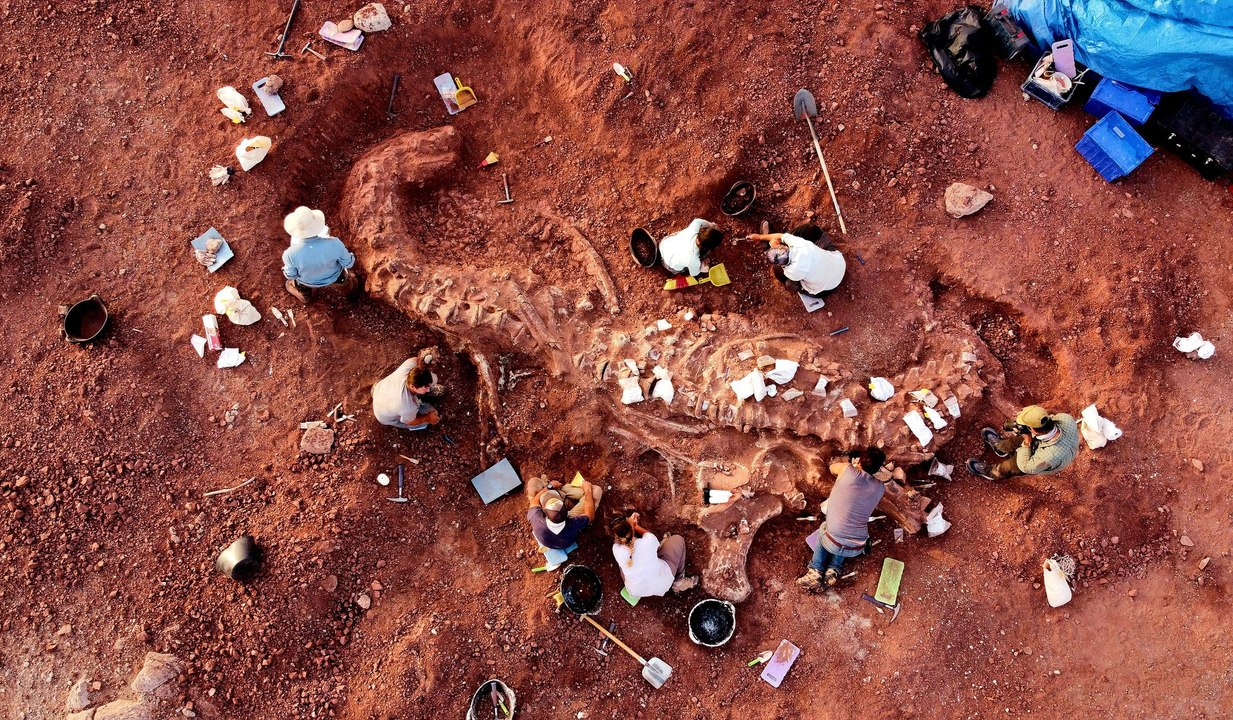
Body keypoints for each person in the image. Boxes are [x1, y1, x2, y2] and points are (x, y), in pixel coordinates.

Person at [797, 447, 887, 591]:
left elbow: (832, 468)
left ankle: (815, 570)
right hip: (857, 546)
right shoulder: (880, 488)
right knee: (847, 531)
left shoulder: (847, 469)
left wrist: (851, 466)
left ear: (859, 461)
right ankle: (834, 569)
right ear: (878, 470)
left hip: (833, 541)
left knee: (824, 528)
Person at [967, 405, 1079, 480]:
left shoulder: (1046, 458)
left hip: (1039, 460)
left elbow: (1026, 467)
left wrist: (1027, 441)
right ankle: (1000, 447)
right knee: (1013, 441)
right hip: (1045, 439)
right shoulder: (1065, 419)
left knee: (1010, 466)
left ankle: (992, 472)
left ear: (1033, 430)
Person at [609, 510, 697, 597]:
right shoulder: (648, 541)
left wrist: (630, 525)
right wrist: (635, 526)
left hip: (635, 591)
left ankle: (635, 589)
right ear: (630, 528)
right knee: (678, 540)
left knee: (624, 564)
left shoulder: (616, 549)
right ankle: (679, 581)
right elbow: (649, 535)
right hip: (662, 584)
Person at [281, 206, 359, 302]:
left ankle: (305, 296)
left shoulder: (289, 254)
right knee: (346, 283)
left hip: (307, 282)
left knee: (297, 284)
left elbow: (291, 275)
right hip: (335, 277)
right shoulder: (334, 243)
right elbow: (348, 264)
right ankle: (350, 292)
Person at [745, 223, 846, 297]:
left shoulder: (792, 272)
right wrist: (760, 237)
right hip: (839, 264)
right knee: (811, 229)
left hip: (824, 290)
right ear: (786, 247)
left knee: (784, 279)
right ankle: (768, 244)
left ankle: (767, 246)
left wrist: (764, 240)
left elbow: (783, 265)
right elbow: (781, 237)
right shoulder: (800, 245)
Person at [525, 474, 602, 552]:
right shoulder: (574, 522)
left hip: (550, 542)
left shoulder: (536, 517)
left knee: (533, 484)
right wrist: (588, 490)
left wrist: (550, 487)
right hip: (566, 542)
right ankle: (560, 491)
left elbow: (534, 502)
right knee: (596, 491)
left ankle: (557, 490)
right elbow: (590, 515)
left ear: (543, 512)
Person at [371, 351, 441, 430]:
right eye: (425, 387)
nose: (428, 390)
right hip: (383, 415)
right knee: (432, 413)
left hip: (380, 391)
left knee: (433, 378)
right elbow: (410, 422)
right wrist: (427, 418)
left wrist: (421, 363)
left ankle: (376, 392)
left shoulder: (408, 369)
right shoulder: (409, 407)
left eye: (428, 386)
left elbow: (415, 360)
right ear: (412, 386)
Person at [658, 218, 724, 277]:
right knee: (704, 260)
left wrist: (711, 225)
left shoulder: (694, 227)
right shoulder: (693, 259)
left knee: (681, 233)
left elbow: (697, 221)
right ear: (706, 246)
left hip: (664, 245)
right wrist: (702, 267)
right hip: (668, 264)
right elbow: (694, 273)